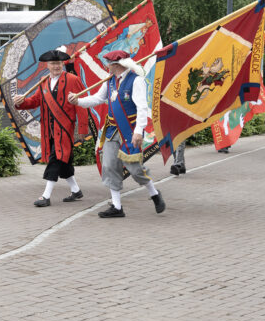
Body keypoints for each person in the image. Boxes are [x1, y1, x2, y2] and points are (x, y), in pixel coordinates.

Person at [69, 49, 165, 218]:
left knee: (135, 169)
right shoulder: (109, 81)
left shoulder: (136, 81)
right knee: (109, 166)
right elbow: (98, 99)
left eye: (108, 63)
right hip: (112, 130)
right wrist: (78, 101)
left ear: (117, 64)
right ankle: (117, 206)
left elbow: (142, 108)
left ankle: (154, 194)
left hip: (129, 131)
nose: (106, 66)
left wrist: (138, 132)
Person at [12, 48, 84, 206]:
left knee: (56, 158)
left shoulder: (72, 79)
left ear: (62, 64)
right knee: (63, 161)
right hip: (48, 129)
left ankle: (46, 196)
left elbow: (82, 104)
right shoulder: (43, 81)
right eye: (52, 63)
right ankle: (76, 190)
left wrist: (83, 128)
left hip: (64, 128)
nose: (56, 66)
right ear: (47, 65)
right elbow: (35, 101)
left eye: (58, 63)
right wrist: (21, 102)